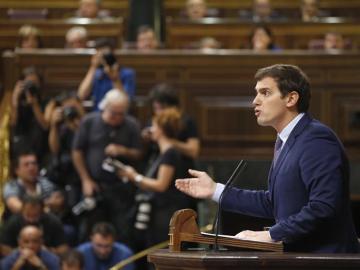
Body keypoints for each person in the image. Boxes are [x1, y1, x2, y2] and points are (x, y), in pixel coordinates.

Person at [176, 64, 360, 253]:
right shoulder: (285, 140)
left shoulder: (316, 138)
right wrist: (215, 190)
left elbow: (324, 207)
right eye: (256, 93)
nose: (255, 101)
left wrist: (272, 234)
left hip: (326, 260)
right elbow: (273, 203)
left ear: (291, 98)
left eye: (265, 93)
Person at [72, 89, 141, 243]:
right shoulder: (89, 121)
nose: (116, 117)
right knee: (90, 230)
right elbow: (77, 151)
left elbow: (139, 153)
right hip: (94, 185)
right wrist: (85, 179)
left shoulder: (131, 125)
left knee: (123, 232)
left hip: (120, 189)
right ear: (104, 106)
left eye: (121, 114)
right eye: (113, 113)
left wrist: (123, 151)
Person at [120, 108, 194, 246]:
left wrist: (134, 176)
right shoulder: (163, 153)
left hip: (166, 213)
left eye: (154, 126)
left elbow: (161, 185)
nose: (151, 130)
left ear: (161, 130)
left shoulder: (169, 153)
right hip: (161, 212)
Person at [77, 38, 135, 111]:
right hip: (98, 115)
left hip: (118, 114)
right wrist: (93, 67)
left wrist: (115, 79)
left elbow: (126, 102)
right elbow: (81, 95)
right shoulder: (96, 73)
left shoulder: (127, 73)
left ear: (113, 53)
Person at [0, 195, 68, 256]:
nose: (31, 220)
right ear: (22, 211)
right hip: (18, 257)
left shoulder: (53, 222)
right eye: (28, 215)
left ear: (42, 212)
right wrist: (20, 252)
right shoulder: (12, 222)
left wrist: (49, 251)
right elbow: (4, 249)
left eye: (35, 216)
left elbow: (63, 249)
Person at [10, 67, 48, 162]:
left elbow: (45, 126)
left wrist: (34, 105)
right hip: (21, 142)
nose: (31, 86)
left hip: (40, 144)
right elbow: (13, 124)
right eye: (29, 83)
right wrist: (15, 101)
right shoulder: (17, 102)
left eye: (34, 83)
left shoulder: (46, 102)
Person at [3, 151, 56, 219]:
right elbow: (15, 205)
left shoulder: (45, 183)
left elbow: (57, 201)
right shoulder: (11, 186)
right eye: (26, 165)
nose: (31, 168)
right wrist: (45, 205)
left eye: (34, 164)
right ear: (17, 170)